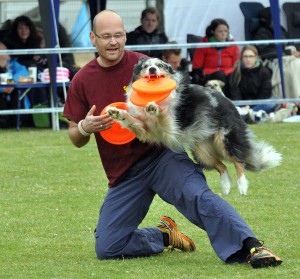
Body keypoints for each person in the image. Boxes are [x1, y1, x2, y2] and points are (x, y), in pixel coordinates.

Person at [63, 10, 282, 268]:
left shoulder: (146, 65)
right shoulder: (82, 80)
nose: (113, 42)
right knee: (108, 246)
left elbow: (180, 97)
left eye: (119, 36)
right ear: (93, 38)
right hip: (124, 172)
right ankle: (164, 234)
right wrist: (85, 128)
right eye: (106, 36)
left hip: (162, 155)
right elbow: (75, 137)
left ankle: (252, 246)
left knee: (198, 196)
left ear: (125, 36)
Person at [253, 7, 300, 99]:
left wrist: (294, 51)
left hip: (287, 56)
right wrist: (288, 52)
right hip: (275, 60)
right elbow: (265, 52)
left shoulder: (280, 29)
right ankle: (296, 97)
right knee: (296, 66)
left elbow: (289, 42)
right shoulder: (262, 33)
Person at [228, 45, 279, 123]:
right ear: (242, 58)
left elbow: (265, 93)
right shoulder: (235, 73)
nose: (248, 59)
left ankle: (247, 115)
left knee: (272, 103)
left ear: (256, 58)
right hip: (242, 105)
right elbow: (235, 94)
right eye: (245, 56)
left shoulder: (264, 72)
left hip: (258, 104)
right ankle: (250, 115)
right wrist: (242, 106)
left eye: (251, 56)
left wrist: (250, 107)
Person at [191, 18, 239, 93]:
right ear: (212, 32)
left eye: (226, 31)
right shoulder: (204, 45)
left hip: (229, 74)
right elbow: (196, 66)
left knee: (235, 77)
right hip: (209, 76)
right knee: (220, 75)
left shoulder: (233, 45)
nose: (223, 34)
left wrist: (228, 72)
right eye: (220, 31)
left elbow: (237, 64)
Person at [0, 41, 29, 128]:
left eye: (4, 50)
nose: (5, 52)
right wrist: (2, 89)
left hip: (13, 94)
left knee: (17, 91)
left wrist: (11, 82)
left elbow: (24, 73)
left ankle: (17, 120)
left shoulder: (13, 63)